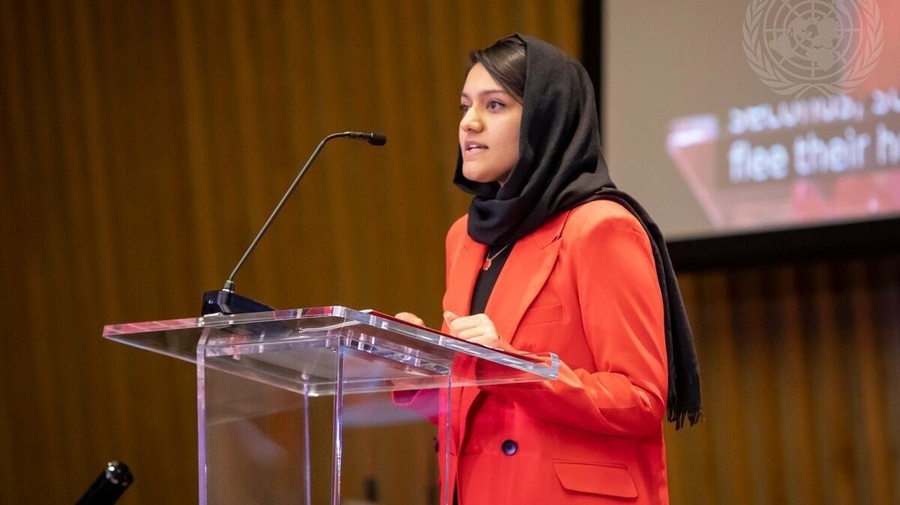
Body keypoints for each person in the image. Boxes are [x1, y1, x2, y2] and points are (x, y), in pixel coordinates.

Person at [394, 33, 702, 505]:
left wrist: (515, 367)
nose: (469, 124)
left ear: (545, 119)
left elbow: (641, 399)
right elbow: (480, 407)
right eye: (464, 106)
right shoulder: (466, 238)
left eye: (494, 106)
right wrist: (416, 367)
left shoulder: (600, 228)